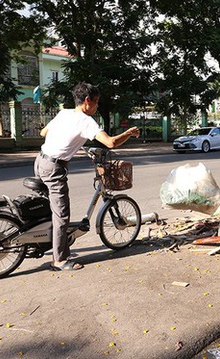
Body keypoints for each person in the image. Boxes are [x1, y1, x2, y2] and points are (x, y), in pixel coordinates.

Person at [35, 82, 140, 271]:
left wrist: (75, 142)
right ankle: (59, 260)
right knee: (61, 215)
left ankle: (42, 241)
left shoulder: (65, 113)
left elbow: (44, 132)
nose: (97, 106)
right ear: (87, 101)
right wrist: (128, 133)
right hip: (54, 168)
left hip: (40, 161)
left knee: (47, 206)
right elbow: (110, 143)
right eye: (97, 102)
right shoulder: (86, 121)